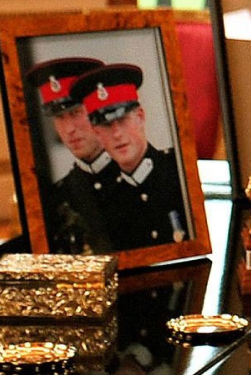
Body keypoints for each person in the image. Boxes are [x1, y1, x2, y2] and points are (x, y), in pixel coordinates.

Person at [71, 63, 189, 251]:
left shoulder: (180, 170)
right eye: (107, 125)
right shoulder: (104, 202)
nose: (117, 134)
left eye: (123, 120)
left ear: (140, 117)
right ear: (97, 133)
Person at [23, 56, 112, 254]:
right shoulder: (56, 197)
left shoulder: (144, 174)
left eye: (76, 113)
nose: (69, 129)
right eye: (59, 117)